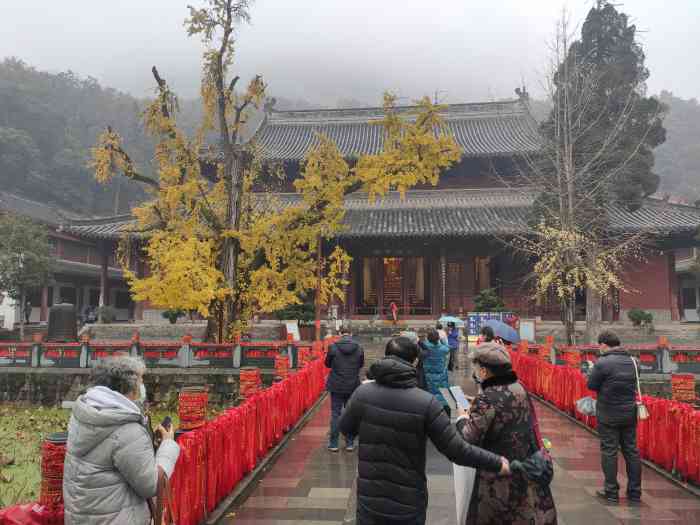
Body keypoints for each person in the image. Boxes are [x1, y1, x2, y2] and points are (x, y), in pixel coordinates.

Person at [339, 337, 509, 525]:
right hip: (407, 502)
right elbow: (456, 450)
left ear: (386, 356)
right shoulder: (426, 403)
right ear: (415, 361)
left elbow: (346, 428)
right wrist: (496, 462)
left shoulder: (362, 393)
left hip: (369, 500)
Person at [63, 355, 180, 524]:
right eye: (140, 382)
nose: (142, 388)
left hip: (83, 515)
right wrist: (168, 445)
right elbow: (151, 484)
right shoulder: (126, 429)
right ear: (130, 388)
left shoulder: (84, 413)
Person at [457, 341, 558, 524]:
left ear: (484, 371)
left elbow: (468, 436)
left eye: (477, 367)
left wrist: (462, 418)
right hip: (525, 466)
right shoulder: (520, 388)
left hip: (497, 471)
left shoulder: (486, 397)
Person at [587, 330, 642, 504]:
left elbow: (591, 385)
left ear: (604, 344)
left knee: (609, 451)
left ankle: (611, 491)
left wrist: (592, 371)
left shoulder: (602, 363)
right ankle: (635, 492)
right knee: (631, 451)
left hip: (608, 414)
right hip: (629, 414)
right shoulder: (634, 362)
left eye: (599, 345)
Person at [325, 326, 364, 452]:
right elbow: (361, 364)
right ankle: (350, 443)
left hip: (336, 384)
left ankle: (334, 443)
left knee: (336, 413)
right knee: (350, 414)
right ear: (351, 333)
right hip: (352, 384)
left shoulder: (333, 347)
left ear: (340, 333)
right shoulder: (358, 347)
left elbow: (327, 364)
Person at [422, 328, 452, 417]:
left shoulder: (425, 347)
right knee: (442, 393)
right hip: (441, 375)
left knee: (430, 394)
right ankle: (444, 412)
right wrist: (443, 341)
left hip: (428, 376)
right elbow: (448, 348)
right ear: (438, 338)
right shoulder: (443, 349)